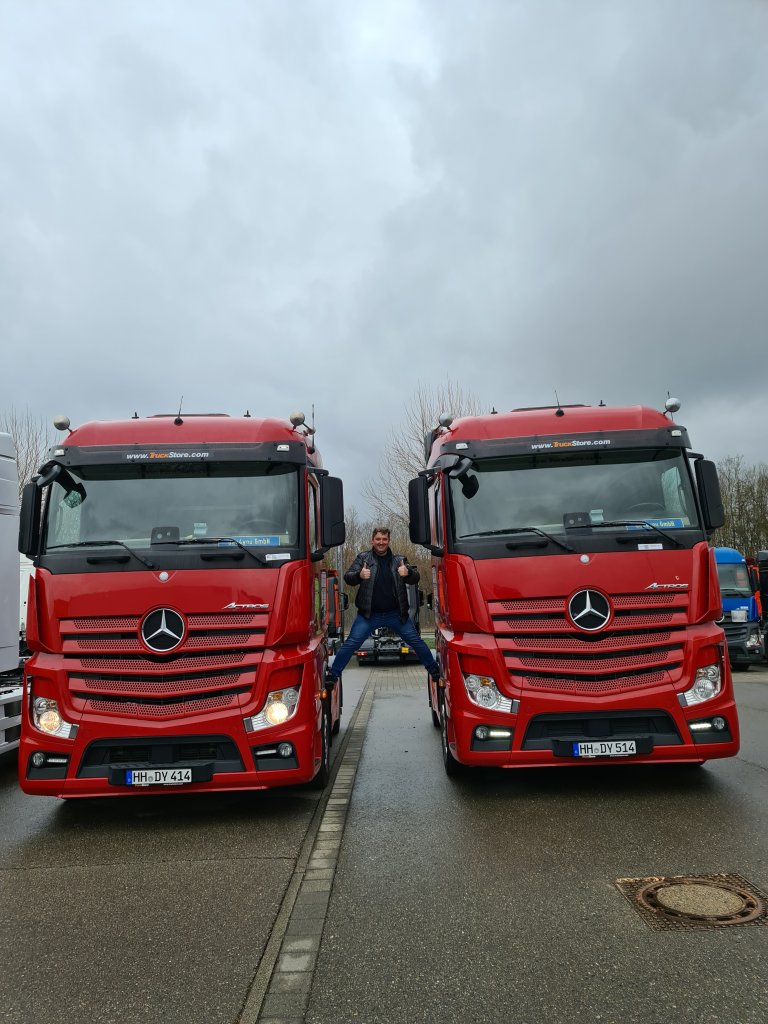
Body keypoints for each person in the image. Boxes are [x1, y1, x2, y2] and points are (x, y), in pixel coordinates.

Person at [328, 527, 442, 685]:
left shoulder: (399, 560)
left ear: (389, 541)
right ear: (372, 540)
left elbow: (415, 578)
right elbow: (348, 577)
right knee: (351, 643)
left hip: (395, 614)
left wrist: (408, 573)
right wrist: (359, 575)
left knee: (416, 641)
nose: (381, 542)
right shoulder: (363, 558)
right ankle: (333, 675)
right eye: (378, 539)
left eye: (384, 539)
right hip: (369, 615)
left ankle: (434, 672)